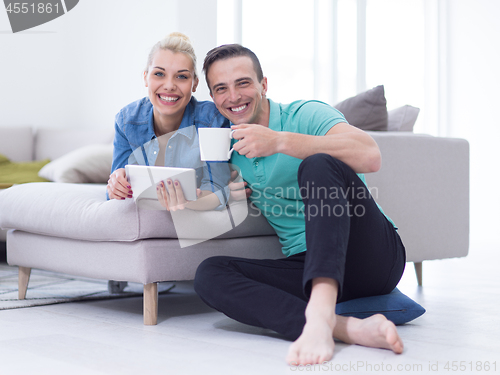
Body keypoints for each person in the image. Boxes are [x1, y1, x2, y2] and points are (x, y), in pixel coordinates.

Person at [193, 44, 406, 365]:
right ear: (213, 98)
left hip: (371, 257)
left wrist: (279, 141)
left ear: (264, 85)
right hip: (306, 265)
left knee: (318, 163)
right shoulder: (228, 147)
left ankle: (321, 313)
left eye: (243, 83)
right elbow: (206, 192)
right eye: (221, 89)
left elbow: (370, 155)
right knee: (209, 274)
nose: (233, 96)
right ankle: (346, 328)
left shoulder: (304, 114)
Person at [107, 32, 230, 211]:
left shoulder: (212, 120)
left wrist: (192, 202)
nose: (169, 85)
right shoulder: (127, 121)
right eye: (159, 74)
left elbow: (219, 188)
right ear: (145, 78)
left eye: (181, 76)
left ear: (195, 83)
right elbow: (115, 194)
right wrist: (116, 186)